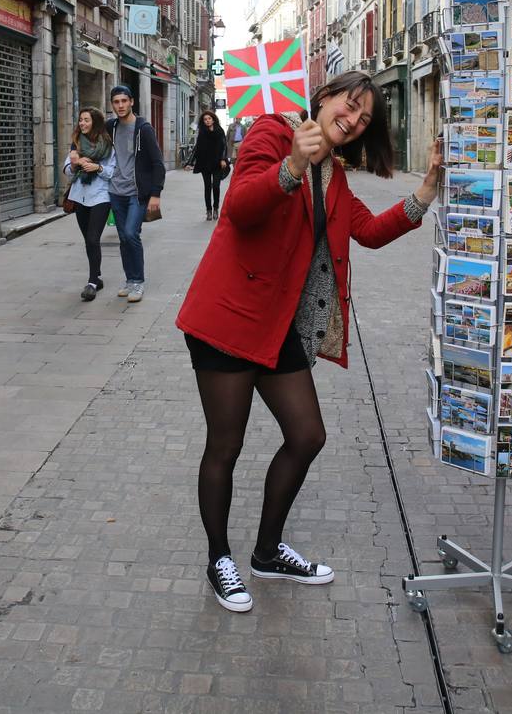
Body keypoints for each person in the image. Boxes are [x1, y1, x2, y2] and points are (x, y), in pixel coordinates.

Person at [175, 71, 444, 612]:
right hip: (229, 319)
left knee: (307, 435)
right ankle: (219, 558)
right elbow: (241, 207)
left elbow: (366, 231)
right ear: (324, 99)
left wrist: (426, 191)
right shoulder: (274, 134)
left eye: (364, 119)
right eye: (350, 106)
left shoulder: (336, 176)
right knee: (225, 446)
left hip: (279, 327)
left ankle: (268, 551)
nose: (353, 120)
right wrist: (293, 164)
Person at [106, 85, 166, 303]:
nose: (120, 105)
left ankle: (138, 282)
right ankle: (129, 280)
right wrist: (75, 153)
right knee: (123, 238)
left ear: (131, 102)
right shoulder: (110, 127)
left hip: (137, 194)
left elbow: (158, 164)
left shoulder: (144, 129)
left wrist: (156, 194)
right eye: (116, 102)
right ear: (112, 105)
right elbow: (87, 136)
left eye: (124, 101)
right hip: (115, 192)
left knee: (131, 234)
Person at [64, 107, 115, 301]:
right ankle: (98, 276)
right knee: (88, 240)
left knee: (93, 238)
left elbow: (113, 172)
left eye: (86, 120)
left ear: (95, 122)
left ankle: (92, 282)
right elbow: (67, 170)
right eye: (80, 120)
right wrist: (75, 164)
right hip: (80, 196)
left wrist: (98, 167)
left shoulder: (107, 145)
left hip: (101, 197)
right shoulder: (76, 144)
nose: (82, 124)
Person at [185, 111, 229, 220]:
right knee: (207, 187)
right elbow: (197, 148)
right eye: (205, 119)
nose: (207, 121)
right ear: (203, 121)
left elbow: (224, 146)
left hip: (217, 163)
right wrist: (190, 163)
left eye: (209, 118)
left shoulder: (219, 131)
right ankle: (208, 210)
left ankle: (215, 208)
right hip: (205, 163)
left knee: (216, 186)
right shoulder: (202, 132)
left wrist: (223, 159)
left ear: (213, 119)